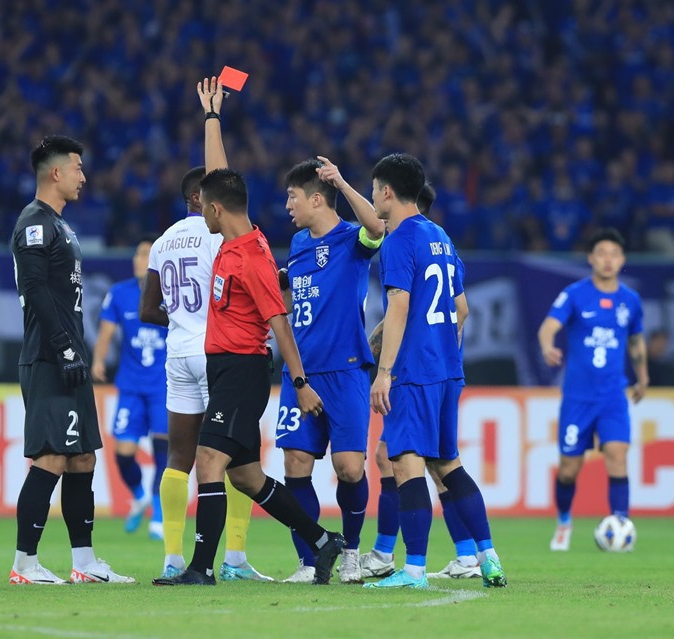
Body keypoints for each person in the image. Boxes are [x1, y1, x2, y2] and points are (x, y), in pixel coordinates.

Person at [153, 77, 344, 586]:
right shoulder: (233, 236)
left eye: (206, 208)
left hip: (242, 369)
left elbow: (279, 320)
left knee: (209, 459)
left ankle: (200, 569)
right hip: (225, 368)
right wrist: (212, 117)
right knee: (246, 475)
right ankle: (325, 543)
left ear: (215, 210)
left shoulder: (253, 258)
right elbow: (219, 176)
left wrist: (300, 384)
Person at [365, 153, 506, 589]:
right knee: (448, 465)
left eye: (373, 190)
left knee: (406, 465)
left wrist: (385, 370)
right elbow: (461, 307)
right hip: (447, 371)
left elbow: (401, 303)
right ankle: (489, 558)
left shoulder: (398, 240)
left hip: (415, 372)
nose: (373, 199)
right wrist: (441, 347)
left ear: (387, 192)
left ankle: (413, 572)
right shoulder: (440, 235)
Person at [9, 135, 133, 585]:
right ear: (55, 172)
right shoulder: (35, 223)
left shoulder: (64, 227)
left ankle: (84, 563)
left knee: (82, 459)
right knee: (50, 458)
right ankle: (25, 563)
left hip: (70, 356)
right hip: (48, 356)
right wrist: (62, 345)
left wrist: (72, 349)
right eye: (78, 168)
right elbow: (37, 290)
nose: (84, 176)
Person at [140, 165, 270, 582]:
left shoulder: (161, 243)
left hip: (177, 354)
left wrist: (179, 318)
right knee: (236, 457)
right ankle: (233, 557)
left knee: (179, 458)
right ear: (204, 197)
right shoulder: (220, 236)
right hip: (219, 352)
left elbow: (147, 310)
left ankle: (172, 558)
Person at [273, 156, 385, 584]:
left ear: (317, 198)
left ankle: (353, 553)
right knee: (296, 463)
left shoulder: (352, 240)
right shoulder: (298, 244)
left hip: (346, 370)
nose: (288, 205)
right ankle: (309, 561)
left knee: (349, 468)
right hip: (300, 372)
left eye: (293, 197)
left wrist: (342, 179)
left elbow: (378, 228)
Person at [537, 228, 647, 552]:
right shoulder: (574, 294)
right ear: (591, 259)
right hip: (578, 399)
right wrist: (547, 345)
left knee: (617, 455)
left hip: (613, 396)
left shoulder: (630, 300)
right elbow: (548, 326)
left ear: (622, 260)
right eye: (601, 253)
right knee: (569, 468)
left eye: (614, 254)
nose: (608, 260)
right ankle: (564, 521)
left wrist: (642, 376)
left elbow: (638, 342)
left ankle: (620, 523)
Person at [92, 237, 168, 541]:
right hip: (131, 387)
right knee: (123, 453)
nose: (140, 258)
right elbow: (106, 332)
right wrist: (98, 360)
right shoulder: (119, 294)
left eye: (147, 254)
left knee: (164, 450)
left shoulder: (172, 293)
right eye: (138, 253)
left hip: (163, 386)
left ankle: (159, 517)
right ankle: (139, 496)